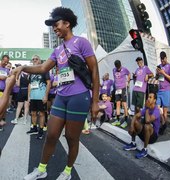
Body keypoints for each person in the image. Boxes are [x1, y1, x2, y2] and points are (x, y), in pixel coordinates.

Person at [12, 7, 99, 180]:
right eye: (52, 26)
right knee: (51, 135)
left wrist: (95, 101)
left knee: (71, 138)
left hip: (79, 96)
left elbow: (94, 70)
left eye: (56, 24)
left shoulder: (81, 43)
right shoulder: (57, 50)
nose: (54, 28)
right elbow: (43, 67)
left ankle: (67, 171)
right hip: (61, 97)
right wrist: (23, 67)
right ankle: (41, 169)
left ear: (67, 23)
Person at [123, 92, 160, 159]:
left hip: (152, 137)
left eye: (150, 97)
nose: (148, 99)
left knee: (147, 125)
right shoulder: (146, 108)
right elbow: (135, 116)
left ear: (154, 100)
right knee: (135, 122)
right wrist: (131, 126)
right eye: (148, 97)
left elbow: (148, 121)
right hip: (144, 134)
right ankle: (133, 143)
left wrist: (147, 109)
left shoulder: (156, 110)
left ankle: (145, 149)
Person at [26, 55, 51, 139]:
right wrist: (29, 96)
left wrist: (46, 95)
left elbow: (49, 83)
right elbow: (29, 84)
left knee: (41, 114)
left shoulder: (44, 70)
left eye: (36, 59)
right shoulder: (31, 72)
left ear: (40, 61)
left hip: (41, 96)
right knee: (33, 113)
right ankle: (34, 127)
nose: (34, 60)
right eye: (33, 59)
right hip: (33, 97)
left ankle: (41, 130)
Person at [156, 51, 170, 135]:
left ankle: (163, 127)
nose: (162, 61)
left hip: (166, 90)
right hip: (159, 90)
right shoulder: (159, 66)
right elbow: (157, 78)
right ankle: (163, 123)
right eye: (161, 60)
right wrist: (157, 73)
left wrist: (164, 73)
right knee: (157, 107)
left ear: (166, 58)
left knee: (165, 111)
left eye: (163, 60)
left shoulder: (169, 66)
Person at [111, 60, 130, 128]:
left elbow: (129, 74)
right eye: (117, 67)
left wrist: (128, 81)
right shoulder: (113, 70)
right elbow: (115, 78)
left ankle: (126, 121)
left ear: (120, 65)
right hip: (117, 90)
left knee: (124, 104)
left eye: (119, 67)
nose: (118, 69)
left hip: (123, 89)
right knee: (118, 104)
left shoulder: (124, 69)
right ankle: (118, 120)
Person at [0, 55, 10, 131]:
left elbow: (9, 78)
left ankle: (1, 120)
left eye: (7, 62)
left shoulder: (7, 70)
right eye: (4, 61)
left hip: (4, 90)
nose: (5, 63)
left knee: (3, 107)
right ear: (1, 59)